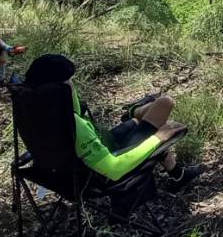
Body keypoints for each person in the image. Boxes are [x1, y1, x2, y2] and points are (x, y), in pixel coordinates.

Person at [24, 54, 203, 191]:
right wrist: (158, 139)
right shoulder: (74, 124)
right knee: (165, 103)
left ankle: (135, 113)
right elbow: (114, 170)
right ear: (59, 90)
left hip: (94, 148)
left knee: (147, 115)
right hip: (110, 161)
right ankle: (135, 112)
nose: (72, 86)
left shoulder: (36, 114)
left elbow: (76, 110)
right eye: (69, 83)